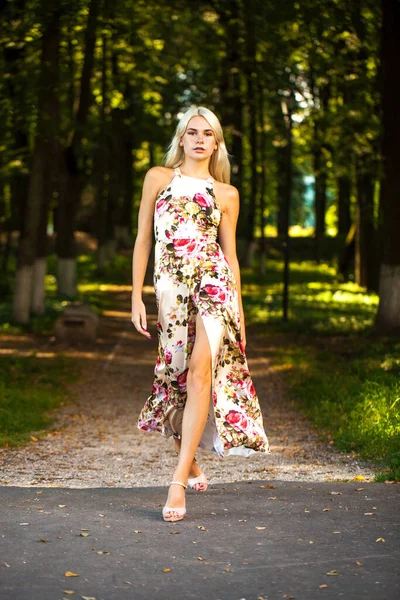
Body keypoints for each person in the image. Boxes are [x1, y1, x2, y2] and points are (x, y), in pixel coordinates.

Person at [131, 106, 270, 522]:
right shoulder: (159, 178)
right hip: (171, 289)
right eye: (191, 132)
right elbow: (142, 240)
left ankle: (176, 483)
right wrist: (136, 296)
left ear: (216, 143)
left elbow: (230, 256)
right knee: (173, 376)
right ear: (181, 138)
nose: (198, 139)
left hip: (215, 285)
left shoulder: (226, 194)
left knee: (198, 373)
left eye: (207, 134)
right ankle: (188, 456)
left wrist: (239, 310)